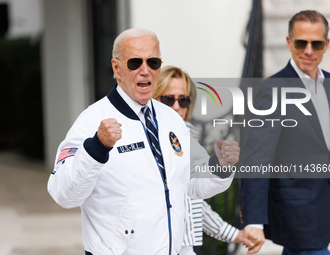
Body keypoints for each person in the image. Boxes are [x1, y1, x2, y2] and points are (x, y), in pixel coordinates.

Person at [47, 28, 240, 255]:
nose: (145, 71)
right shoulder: (91, 121)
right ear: (116, 68)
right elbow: (63, 194)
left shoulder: (171, 120)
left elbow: (191, 186)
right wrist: (97, 147)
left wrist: (220, 166)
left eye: (153, 62)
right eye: (135, 63)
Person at [240, 10, 330, 255]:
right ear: (288, 42)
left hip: (325, 208)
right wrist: (254, 221)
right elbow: (256, 159)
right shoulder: (272, 90)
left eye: (316, 43)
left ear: (326, 44)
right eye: (300, 42)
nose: (308, 50)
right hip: (296, 213)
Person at [153, 66, 254, 255]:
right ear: (153, 99)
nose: (176, 106)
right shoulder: (143, 141)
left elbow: (191, 199)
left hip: (184, 246)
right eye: (168, 99)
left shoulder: (186, 138)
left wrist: (232, 234)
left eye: (183, 100)